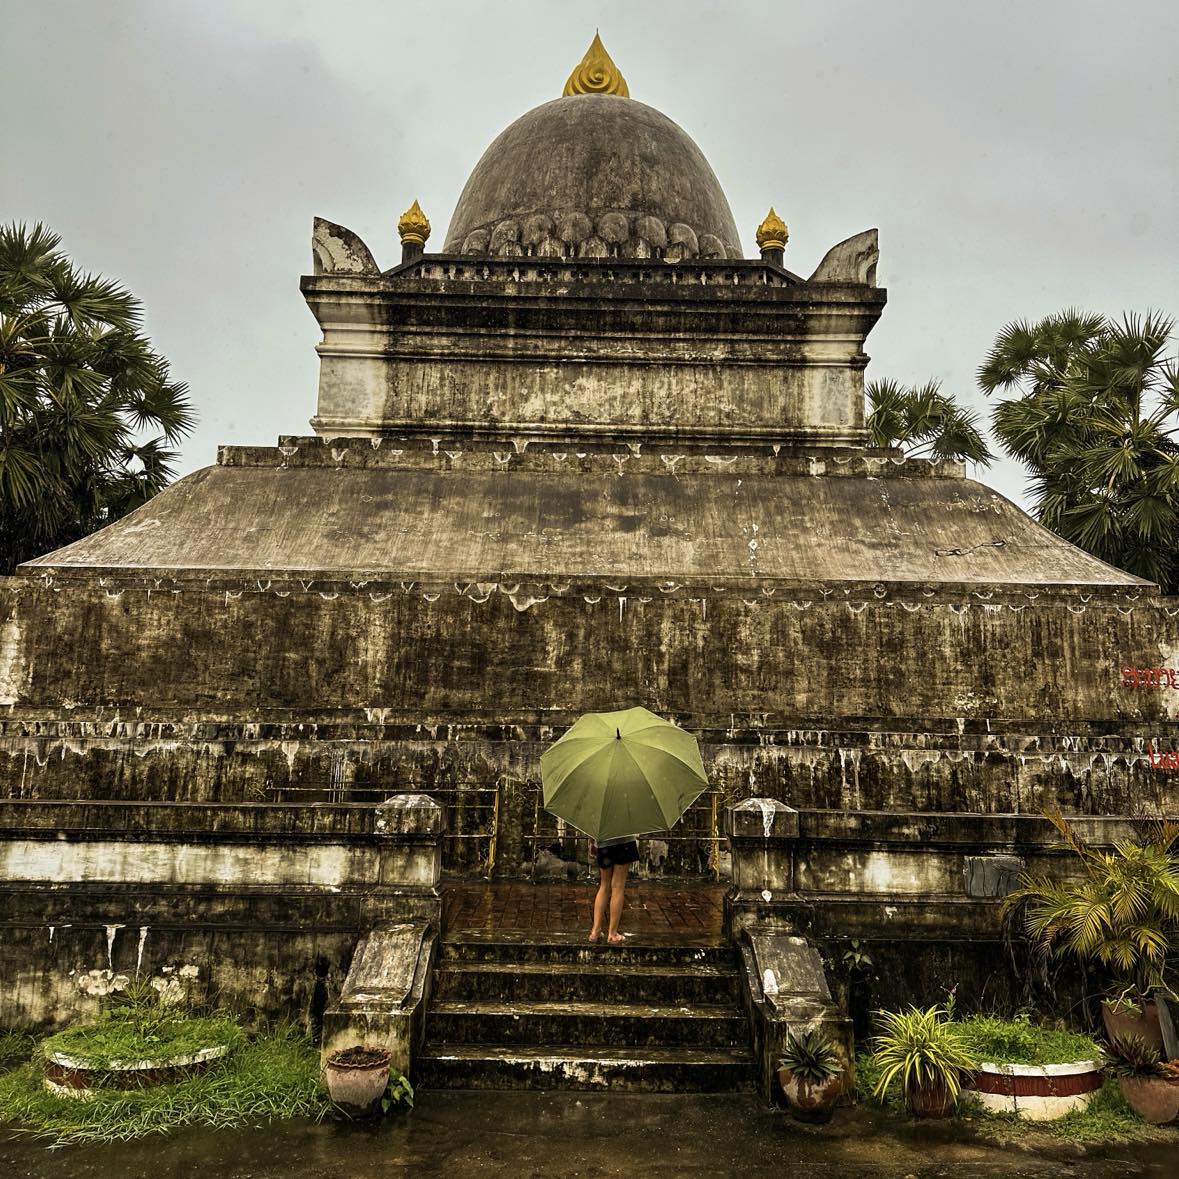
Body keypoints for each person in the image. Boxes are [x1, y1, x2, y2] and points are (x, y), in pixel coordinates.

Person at [587, 834, 640, 944]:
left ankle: (595, 931)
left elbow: (592, 826)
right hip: (625, 843)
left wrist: (592, 842)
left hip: (604, 844)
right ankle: (612, 934)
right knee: (618, 887)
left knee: (604, 886)